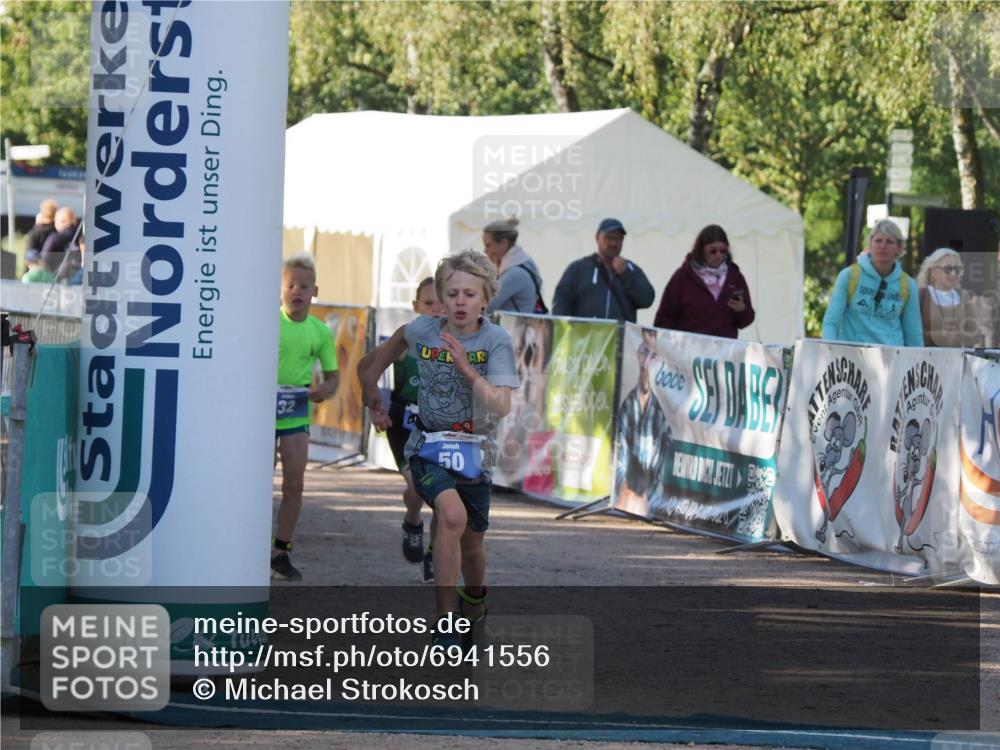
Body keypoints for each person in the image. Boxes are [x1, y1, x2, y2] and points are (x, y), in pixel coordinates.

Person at [360, 249, 518, 646]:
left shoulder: (496, 340)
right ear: (441, 296)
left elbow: (500, 405)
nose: (460, 302)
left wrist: (467, 368)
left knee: (474, 548)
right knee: (450, 516)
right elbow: (386, 350)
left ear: (486, 297)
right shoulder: (423, 329)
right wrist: (370, 388)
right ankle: (445, 621)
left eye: (469, 294)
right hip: (427, 445)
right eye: (451, 294)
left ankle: (475, 604)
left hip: (476, 452)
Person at [357, 277, 442, 583]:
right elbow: (365, 367)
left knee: (443, 496)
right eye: (428, 303)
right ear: (415, 307)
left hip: (440, 428)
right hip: (404, 423)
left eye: (440, 303)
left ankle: (435, 553)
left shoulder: (458, 342)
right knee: (420, 486)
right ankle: (412, 520)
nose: (435, 309)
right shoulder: (407, 340)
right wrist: (375, 406)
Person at [273, 254, 340, 581]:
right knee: (256, 485)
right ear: (280, 288)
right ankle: (245, 547)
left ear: (315, 290)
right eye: (290, 285)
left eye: (303, 285)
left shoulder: (320, 332)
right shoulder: (268, 324)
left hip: (296, 408)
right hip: (260, 408)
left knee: (294, 484)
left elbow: (333, 377)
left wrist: (324, 390)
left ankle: (280, 551)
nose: (296, 290)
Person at [821, 219, 923, 346]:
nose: (882, 246)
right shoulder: (849, 275)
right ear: (870, 243)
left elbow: (914, 334)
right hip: (852, 359)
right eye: (878, 240)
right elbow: (831, 321)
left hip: (891, 360)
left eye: (889, 242)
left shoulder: (908, 285)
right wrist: (830, 352)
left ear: (899, 248)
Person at [653, 224, 755, 338]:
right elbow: (664, 318)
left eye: (723, 251)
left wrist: (742, 310)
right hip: (688, 350)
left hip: (724, 351)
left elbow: (746, 320)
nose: (718, 255)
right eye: (713, 251)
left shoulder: (735, 277)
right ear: (701, 250)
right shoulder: (682, 277)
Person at [551, 218, 655, 322]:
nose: (613, 243)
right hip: (584, 337)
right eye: (608, 237)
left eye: (618, 238)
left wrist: (626, 274)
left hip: (620, 338)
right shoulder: (578, 269)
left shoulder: (631, 270)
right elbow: (561, 304)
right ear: (597, 238)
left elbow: (647, 300)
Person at [614, 329, 671, 517]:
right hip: (627, 500)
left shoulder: (666, 411)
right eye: (644, 352)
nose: (647, 361)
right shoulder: (629, 404)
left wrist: (647, 501)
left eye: (653, 355)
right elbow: (619, 461)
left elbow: (664, 473)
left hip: (650, 504)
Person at [916, 247, 990, 348]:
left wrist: (958, 337)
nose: (953, 274)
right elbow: (912, 332)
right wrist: (939, 336)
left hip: (958, 359)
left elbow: (976, 334)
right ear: (933, 272)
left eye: (957, 269)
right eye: (948, 269)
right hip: (926, 359)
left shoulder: (964, 296)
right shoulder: (921, 295)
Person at [482, 217, 545, 315]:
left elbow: (485, 306)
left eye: (488, 245)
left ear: (503, 243)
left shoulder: (515, 273)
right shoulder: (523, 263)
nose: (485, 251)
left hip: (514, 329)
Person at [40, 207, 80, 280]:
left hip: (57, 281)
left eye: (56, 221)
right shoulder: (83, 238)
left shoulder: (55, 238)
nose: (55, 224)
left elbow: (43, 259)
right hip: (80, 281)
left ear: (63, 221)